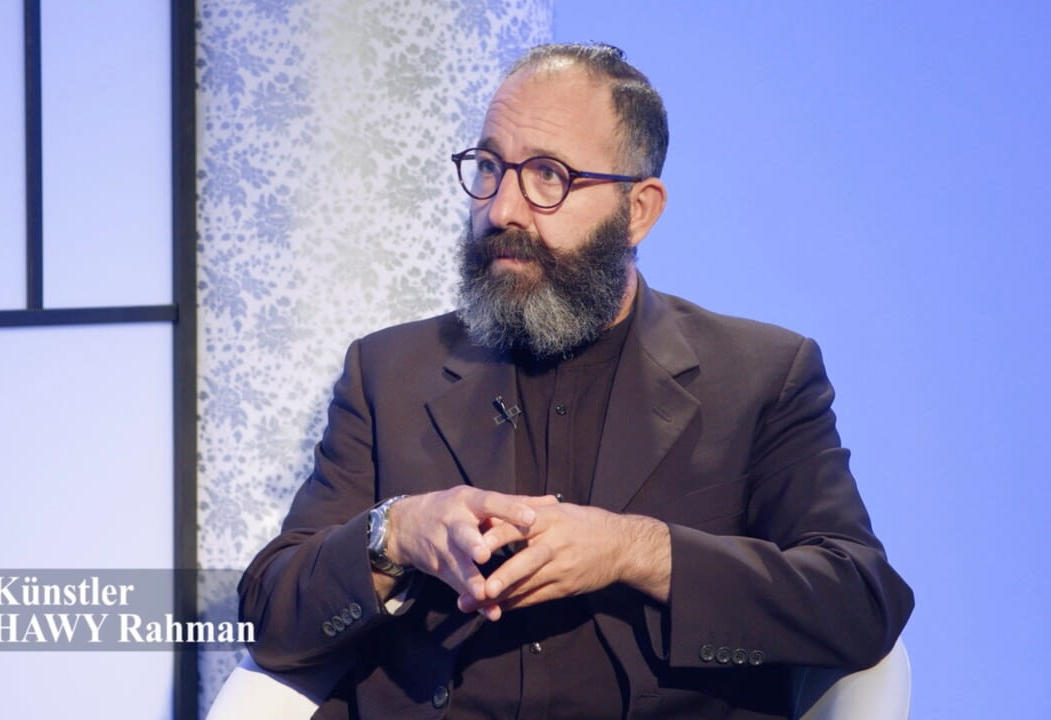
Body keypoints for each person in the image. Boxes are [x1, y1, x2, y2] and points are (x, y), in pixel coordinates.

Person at [238, 42, 913, 719]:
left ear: (638, 209)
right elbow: (268, 616)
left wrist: (638, 551)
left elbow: (860, 601)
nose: (502, 208)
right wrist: (394, 534)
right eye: (490, 167)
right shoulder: (389, 372)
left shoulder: (759, 375)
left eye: (548, 175)